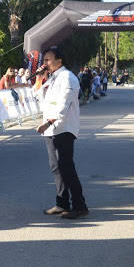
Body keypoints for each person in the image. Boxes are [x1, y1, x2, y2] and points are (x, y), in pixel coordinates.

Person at [37, 46, 88, 219]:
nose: (44, 64)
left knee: (66, 167)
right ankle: (62, 203)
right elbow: (40, 100)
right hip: (50, 129)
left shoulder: (67, 77)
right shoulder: (52, 78)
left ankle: (79, 205)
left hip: (63, 128)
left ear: (59, 60)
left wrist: (49, 122)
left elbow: (63, 105)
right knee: (56, 167)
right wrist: (39, 79)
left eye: (47, 60)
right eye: (43, 61)